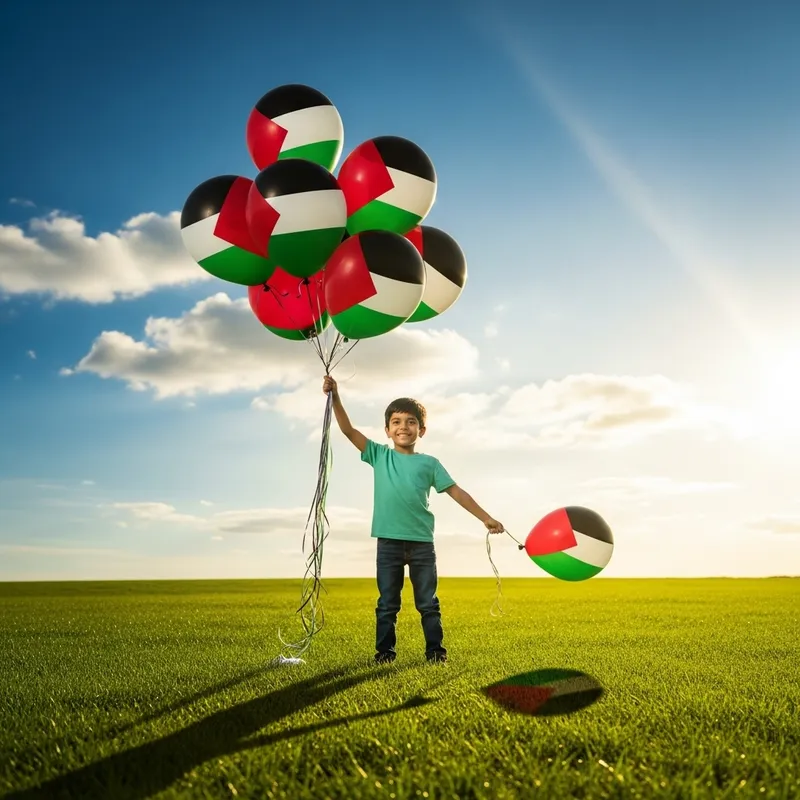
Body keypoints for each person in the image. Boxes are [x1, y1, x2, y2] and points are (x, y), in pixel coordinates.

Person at [322, 375, 504, 665]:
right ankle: (384, 654)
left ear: (422, 429)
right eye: (396, 422)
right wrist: (336, 396)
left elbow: (456, 492)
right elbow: (348, 430)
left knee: (428, 604)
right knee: (387, 605)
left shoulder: (429, 463)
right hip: (388, 542)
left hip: (421, 544)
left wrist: (486, 518)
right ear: (387, 429)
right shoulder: (379, 455)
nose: (403, 427)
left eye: (410, 422)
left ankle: (435, 653)